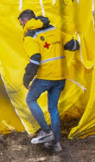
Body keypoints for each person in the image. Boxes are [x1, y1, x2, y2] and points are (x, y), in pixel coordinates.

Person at [19, 9, 79, 153]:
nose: (21, 26)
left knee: (30, 99)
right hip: (60, 77)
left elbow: (35, 60)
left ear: (26, 21)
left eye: (21, 23)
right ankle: (56, 144)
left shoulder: (31, 36)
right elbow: (73, 45)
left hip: (45, 76)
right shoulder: (54, 29)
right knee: (53, 108)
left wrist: (26, 80)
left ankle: (46, 132)